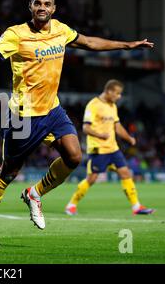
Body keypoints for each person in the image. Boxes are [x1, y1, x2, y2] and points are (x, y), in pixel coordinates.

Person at [0, 0, 154, 247]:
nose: (42, 7)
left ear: (53, 8)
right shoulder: (16, 34)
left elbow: (89, 42)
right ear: (30, 7)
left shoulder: (61, 30)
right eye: (37, 3)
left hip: (52, 110)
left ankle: (35, 193)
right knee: (8, 173)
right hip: (24, 116)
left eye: (47, 3)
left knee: (74, 156)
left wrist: (127, 45)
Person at [65, 80, 155, 216]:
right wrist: (100, 135)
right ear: (109, 91)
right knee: (92, 178)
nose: (119, 96)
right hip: (98, 149)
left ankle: (136, 207)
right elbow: (86, 127)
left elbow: (117, 127)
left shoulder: (112, 106)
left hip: (113, 149)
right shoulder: (93, 105)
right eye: (117, 93)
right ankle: (71, 205)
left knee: (125, 173)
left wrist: (129, 138)